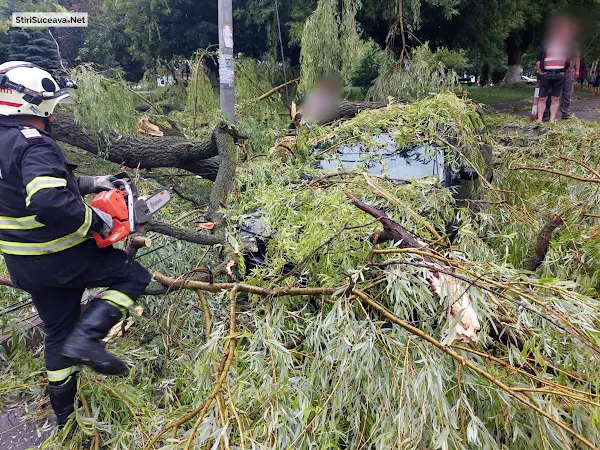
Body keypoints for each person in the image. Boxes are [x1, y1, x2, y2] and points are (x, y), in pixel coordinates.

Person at [0, 61, 151, 426]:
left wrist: (93, 181)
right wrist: (94, 220)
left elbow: (39, 184)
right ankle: (89, 338)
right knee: (133, 276)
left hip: (24, 264)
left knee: (57, 333)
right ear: (31, 102)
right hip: (59, 255)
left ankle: (65, 419)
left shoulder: (7, 140)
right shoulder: (32, 142)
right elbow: (49, 200)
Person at [536, 17, 576, 124]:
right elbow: (539, 59)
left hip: (559, 74)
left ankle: (552, 119)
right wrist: (541, 72)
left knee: (555, 98)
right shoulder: (545, 43)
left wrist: (565, 71)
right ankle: (540, 119)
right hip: (546, 74)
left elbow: (571, 59)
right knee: (542, 98)